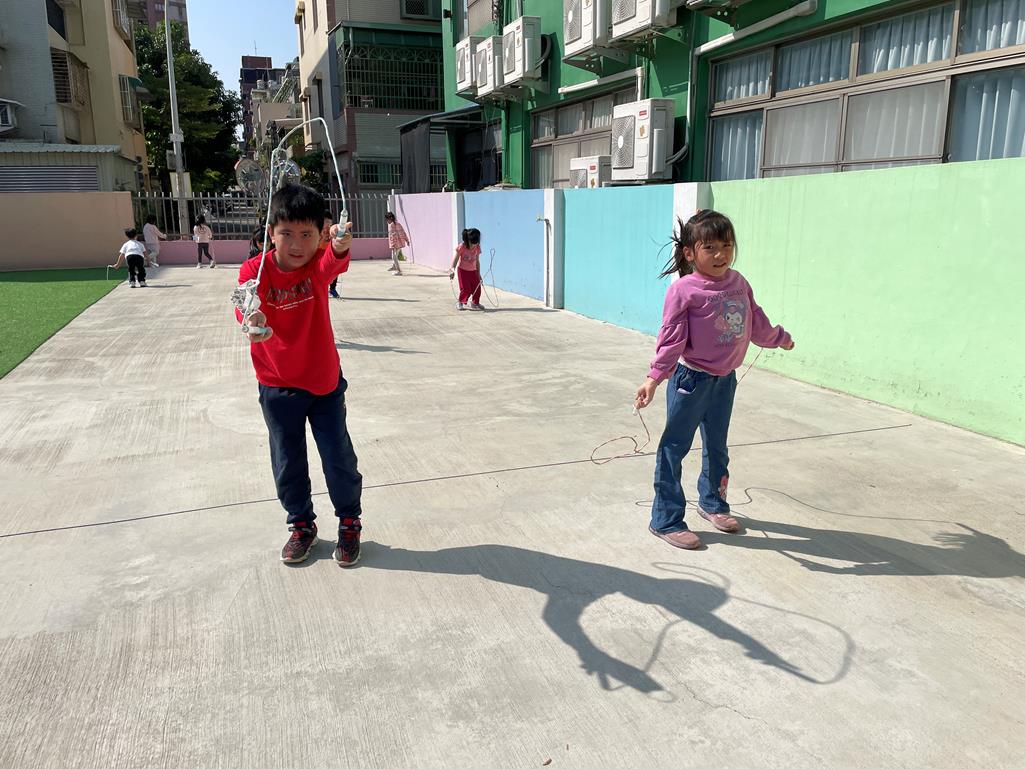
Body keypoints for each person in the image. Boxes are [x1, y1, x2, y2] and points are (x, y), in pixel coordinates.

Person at [635, 210, 795, 551]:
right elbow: (672, 338)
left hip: (725, 381)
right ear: (690, 253)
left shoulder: (739, 283)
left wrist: (779, 338)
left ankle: (713, 503)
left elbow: (755, 320)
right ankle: (665, 519)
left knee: (717, 446)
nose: (721, 254)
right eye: (710, 247)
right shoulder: (683, 290)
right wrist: (654, 378)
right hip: (690, 381)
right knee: (674, 448)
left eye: (727, 246)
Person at [235, 184, 362, 566]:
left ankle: (349, 522)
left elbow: (333, 262)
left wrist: (339, 245)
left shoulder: (318, 263)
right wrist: (251, 319)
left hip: (323, 383)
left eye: (307, 234)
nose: (296, 244)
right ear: (270, 232)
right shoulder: (255, 269)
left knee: (337, 457)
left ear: (321, 234)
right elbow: (245, 304)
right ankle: (301, 525)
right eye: (286, 233)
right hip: (276, 384)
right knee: (287, 460)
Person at [449, 227, 484, 311]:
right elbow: (456, 258)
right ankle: (460, 302)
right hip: (463, 271)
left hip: (473, 271)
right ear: (467, 240)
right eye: (472, 243)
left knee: (477, 288)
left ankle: (475, 303)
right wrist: (452, 269)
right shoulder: (462, 246)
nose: (474, 245)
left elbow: (477, 261)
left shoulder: (477, 247)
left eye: (476, 243)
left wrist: (479, 274)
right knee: (466, 289)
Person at [323, 211, 342, 299]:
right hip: (321, 256)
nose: (328, 225)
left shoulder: (332, 231)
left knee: (335, 271)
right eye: (326, 222)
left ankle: (332, 289)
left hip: (330, 255)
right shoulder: (317, 232)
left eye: (330, 223)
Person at [385, 211, 410, 276]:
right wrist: (407, 240)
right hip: (400, 243)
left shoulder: (391, 225)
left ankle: (399, 271)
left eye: (387, 219)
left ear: (390, 218)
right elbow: (403, 232)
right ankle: (394, 266)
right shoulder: (398, 224)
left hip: (396, 244)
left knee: (394, 257)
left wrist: (393, 245)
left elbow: (393, 236)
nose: (386, 221)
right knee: (394, 255)